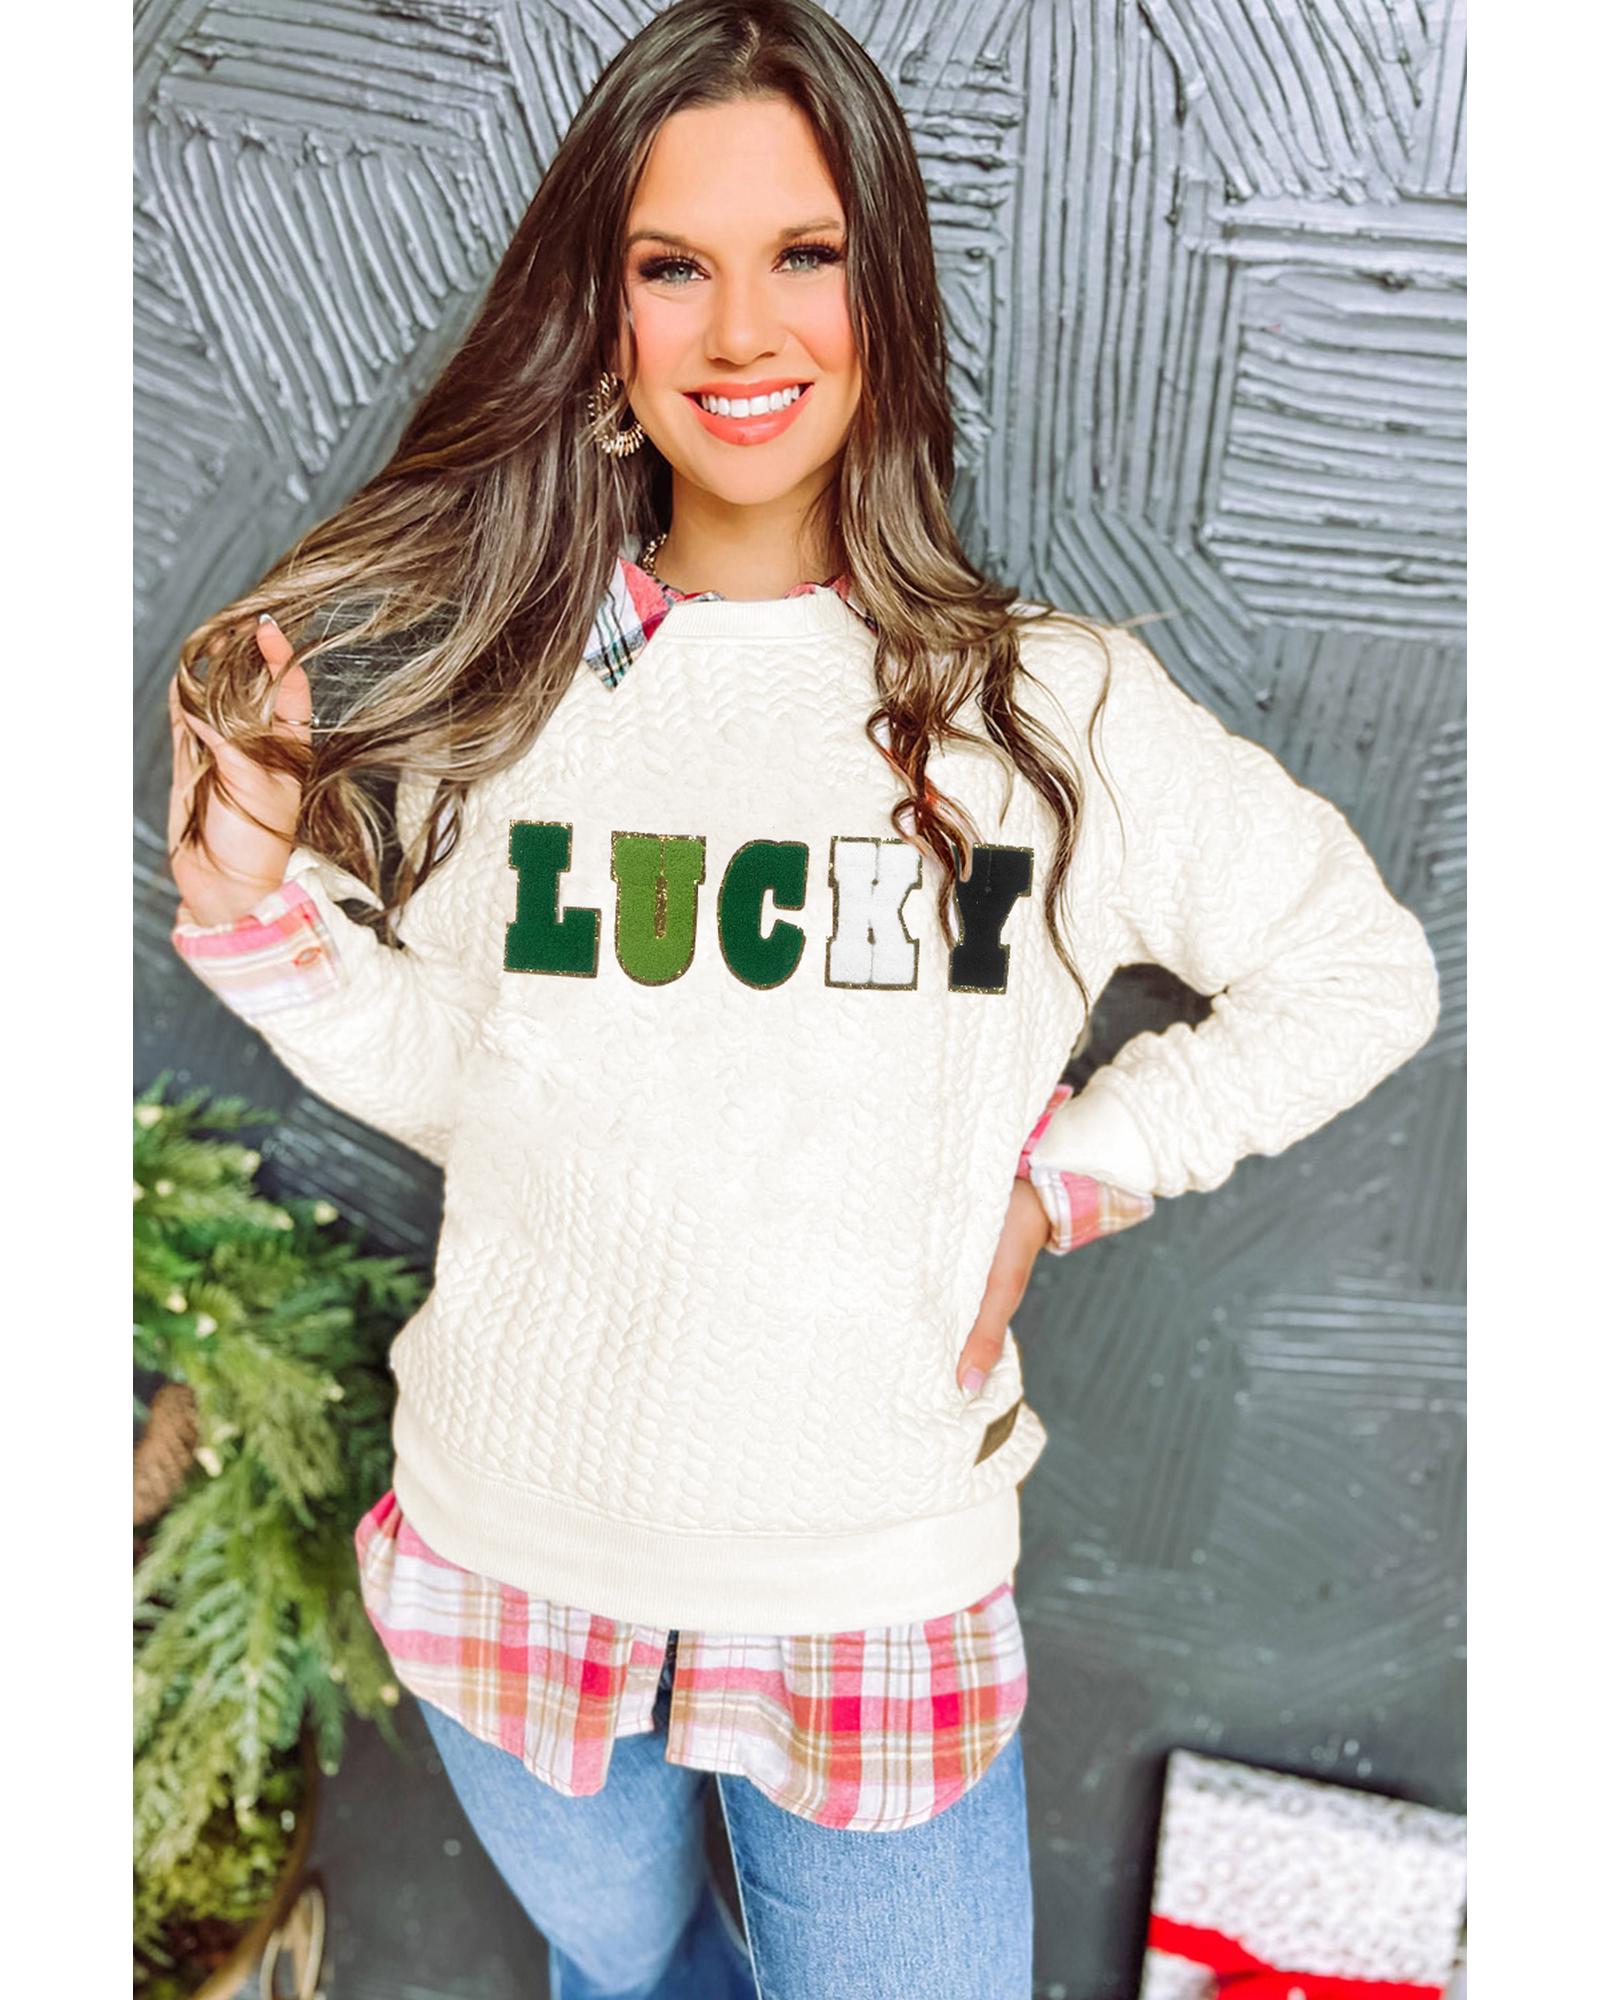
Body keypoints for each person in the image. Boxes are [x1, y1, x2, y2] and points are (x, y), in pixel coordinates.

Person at [162, 4, 1441, 1995]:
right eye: (673, 266)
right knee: (628, 1971)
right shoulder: (517, 701)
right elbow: (485, 1084)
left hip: (873, 1598)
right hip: (510, 1565)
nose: (740, 330)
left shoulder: (1050, 709)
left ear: (884, 292)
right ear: (603, 321)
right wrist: (258, 910)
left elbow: (1359, 975)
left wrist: (1065, 1178)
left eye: (805, 254)